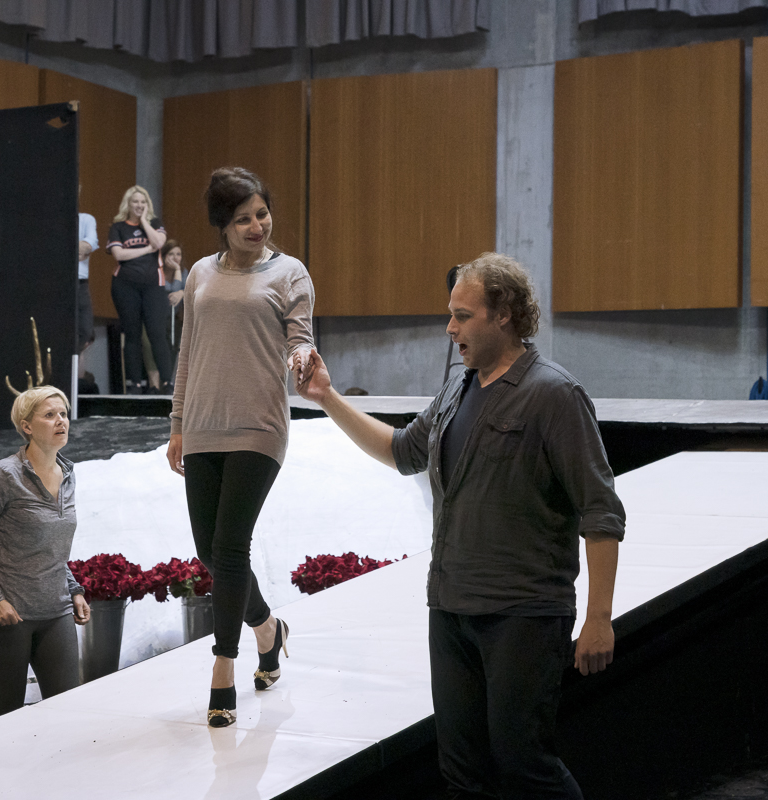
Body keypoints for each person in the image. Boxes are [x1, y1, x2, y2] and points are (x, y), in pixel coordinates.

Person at [296, 252, 624, 799]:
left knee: (525, 764)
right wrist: (325, 398)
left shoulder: (553, 394)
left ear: (505, 314)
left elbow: (601, 512)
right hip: (451, 610)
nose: (450, 328)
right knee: (462, 773)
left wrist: (599, 618)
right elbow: (402, 451)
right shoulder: (457, 387)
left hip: (523, 614)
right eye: (450, 314)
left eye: (463, 316)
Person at [166, 167, 316, 728]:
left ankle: (223, 668)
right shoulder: (201, 274)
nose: (257, 226)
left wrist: (301, 358)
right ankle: (268, 629)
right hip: (203, 424)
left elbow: (300, 337)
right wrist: (178, 423)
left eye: (262, 213)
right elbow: (188, 351)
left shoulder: (290, 272)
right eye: (243, 218)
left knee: (230, 547)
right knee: (210, 551)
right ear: (222, 225)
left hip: (259, 425)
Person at [0, 385, 91, 718]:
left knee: (67, 714)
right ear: (27, 426)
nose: (61, 421)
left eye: (63, 414)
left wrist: (74, 589)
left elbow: (51, 548)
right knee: (7, 720)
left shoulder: (68, 474)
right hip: (8, 616)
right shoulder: (2, 476)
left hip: (56, 613)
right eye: (49, 415)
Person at [106, 185, 174, 394]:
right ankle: (134, 384)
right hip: (125, 286)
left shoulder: (155, 223)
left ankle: (168, 383)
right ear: (128, 204)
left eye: (143, 202)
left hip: (153, 286)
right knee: (132, 334)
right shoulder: (118, 227)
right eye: (135, 201)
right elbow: (119, 254)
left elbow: (159, 242)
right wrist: (146, 250)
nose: (139, 205)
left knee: (157, 333)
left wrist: (144, 221)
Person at [77, 205, 99, 373]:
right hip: (59, 282)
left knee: (85, 330)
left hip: (81, 281)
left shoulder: (86, 219)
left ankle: (72, 371)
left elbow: (89, 245)